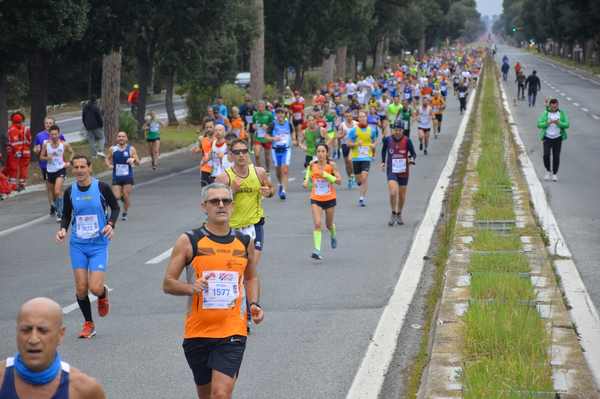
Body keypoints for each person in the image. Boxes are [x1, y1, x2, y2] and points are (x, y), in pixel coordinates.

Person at [162, 183, 264, 399]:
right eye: (214, 201)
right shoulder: (190, 241)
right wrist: (190, 288)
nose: (220, 205)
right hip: (197, 332)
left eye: (225, 201)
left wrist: (254, 304)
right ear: (203, 206)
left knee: (220, 394)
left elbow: (251, 277)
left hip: (232, 331)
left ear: (232, 206)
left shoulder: (244, 242)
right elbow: (168, 283)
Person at [56, 155, 120, 338]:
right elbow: (67, 215)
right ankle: (89, 324)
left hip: (98, 244)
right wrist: (62, 230)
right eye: (76, 167)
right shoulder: (70, 191)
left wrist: (111, 224)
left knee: (94, 287)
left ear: (90, 168)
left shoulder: (101, 187)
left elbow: (115, 208)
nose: (79, 170)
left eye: (83, 166)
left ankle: (102, 293)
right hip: (78, 244)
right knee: (81, 288)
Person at [0, 297, 106, 398]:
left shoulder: (84, 390)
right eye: (26, 330)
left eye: (43, 330)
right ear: (17, 332)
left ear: (60, 335)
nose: (33, 339)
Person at [215, 139, 273, 268]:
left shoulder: (259, 172)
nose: (241, 155)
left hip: (254, 224)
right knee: (234, 267)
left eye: (244, 151)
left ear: (248, 153)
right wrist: (232, 191)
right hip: (232, 228)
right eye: (237, 152)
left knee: (251, 267)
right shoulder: (223, 178)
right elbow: (214, 204)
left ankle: (248, 286)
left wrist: (268, 193)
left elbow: (271, 189)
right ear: (231, 155)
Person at [303, 143, 341, 260]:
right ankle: (317, 250)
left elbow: (339, 181)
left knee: (328, 225)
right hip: (316, 198)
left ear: (327, 153)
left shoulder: (331, 165)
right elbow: (308, 178)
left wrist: (326, 175)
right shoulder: (312, 165)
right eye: (318, 151)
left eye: (323, 151)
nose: (320, 154)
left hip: (329, 198)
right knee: (318, 223)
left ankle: (333, 233)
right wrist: (306, 182)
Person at [381, 123, 416, 226]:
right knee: (393, 192)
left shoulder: (407, 140)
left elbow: (413, 153)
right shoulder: (388, 140)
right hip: (392, 169)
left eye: (399, 130)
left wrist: (411, 159)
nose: (397, 132)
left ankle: (399, 213)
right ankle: (393, 212)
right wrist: (383, 162)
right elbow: (383, 150)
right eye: (395, 130)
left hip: (403, 170)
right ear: (393, 130)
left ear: (402, 130)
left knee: (401, 195)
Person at [40, 125, 73, 223]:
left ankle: (61, 212)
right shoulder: (46, 144)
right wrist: (47, 158)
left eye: (56, 134)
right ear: (49, 135)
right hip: (50, 171)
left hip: (60, 169)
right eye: (52, 134)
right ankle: (59, 207)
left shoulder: (64, 144)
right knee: (54, 194)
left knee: (58, 191)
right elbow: (41, 156)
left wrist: (69, 162)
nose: (54, 136)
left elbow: (72, 152)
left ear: (59, 134)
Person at [34, 117, 66, 216]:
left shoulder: (59, 135)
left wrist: (65, 162)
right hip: (46, 165)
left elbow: (64, 148)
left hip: (59, 165)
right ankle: (52, 205)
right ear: (44, 124)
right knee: (49, 188)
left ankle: (61, 206)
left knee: (58, 188)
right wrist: (36, 150)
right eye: (46, 123)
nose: (48, 125)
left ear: (54, 124)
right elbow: (35, 149)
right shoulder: (39, 136)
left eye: (50, 123)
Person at [105, 131, 140, 221]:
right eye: (119, 136)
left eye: (123, 136)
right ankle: (124, 200)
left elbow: (138, 162)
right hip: (116, 176)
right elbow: (107, 158)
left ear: (126, 138)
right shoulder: (113, 149)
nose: (121, 138)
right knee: (116, 196)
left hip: (127, 177)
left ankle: (125, 212)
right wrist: (109, 165)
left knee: (125, 194)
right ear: (117, 138)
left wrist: (133, 160)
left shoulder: (131, 149)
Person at [347, 110, 376, 207]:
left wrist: (373, 145)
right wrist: (356, 144)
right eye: (361, 117)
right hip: (356, 158)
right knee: (359, 180)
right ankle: (357, 181)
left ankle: (361, 198)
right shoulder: (353, 130)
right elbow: (348, 143)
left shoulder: (371, 130)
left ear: (366, 118)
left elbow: (375, 141)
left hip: (366, 157)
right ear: (358, 119)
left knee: (364, 177)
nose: (363, 118)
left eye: (364, 116)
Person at [537, 98, 569, 182]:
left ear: (557, 105)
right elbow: (539, 124)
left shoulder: (561, 113)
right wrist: (547, 123)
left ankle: (554, 174)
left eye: (556, 106)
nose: (554, 108)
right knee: (546, 155)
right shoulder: (546, 113)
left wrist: (559, 123)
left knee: (556, 156)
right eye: (553, 106)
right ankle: (548, 171)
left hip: (558, 138)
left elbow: (567, 124)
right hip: (547, 138)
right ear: (550, 106)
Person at [270, 108, 294, 200]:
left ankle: (283, 191)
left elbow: (292, 132)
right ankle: (280, 183)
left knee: (285, 170)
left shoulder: (288, 124)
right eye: (278, 113)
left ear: (284, 114)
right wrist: (273, 139)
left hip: (286, 150)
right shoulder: (273, 124)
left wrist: (294, 138)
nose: (280, 115)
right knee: (278, 170)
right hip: (275, 150)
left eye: (282, 113)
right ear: (276, 115)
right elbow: (266, 136)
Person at [5, 112, 31, 191]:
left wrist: (16, 151)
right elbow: (30, 140)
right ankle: (22, 184)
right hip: (25, 152)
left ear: (12, 120)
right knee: (23, 169)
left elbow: (12, 142)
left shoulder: (11, 130)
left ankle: (12, 186)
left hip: (14, 153)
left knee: (13, 169)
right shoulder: (26, 128)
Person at [251, 100, 274, 172]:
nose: (260, 108)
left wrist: (267, 127)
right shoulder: (255, 115)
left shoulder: (269, 114)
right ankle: (260, 171)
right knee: (257, 155)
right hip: (258, 137)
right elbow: (253, 124)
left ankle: (268, 170)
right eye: (259, 107)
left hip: (267, 137)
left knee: (267, 157)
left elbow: (273, 125)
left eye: (262, 107)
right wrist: (253, 126)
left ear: (264, 107)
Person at [337, 110, 357, 189]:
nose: (348, 118)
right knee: (347, 164)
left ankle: (353, 175)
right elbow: (337, 136)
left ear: (352, 116)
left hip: (353, 145)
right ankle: (350, 178)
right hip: (345, 145)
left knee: (350, 160)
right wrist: (343, 135)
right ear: (345, 117)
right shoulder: (342, 125)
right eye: (347, 116)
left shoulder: (356, 124)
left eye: (350, 116)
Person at [193, 119, 215, 187]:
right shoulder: (202, 139)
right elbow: (197, 150)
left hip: (216, 169)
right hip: (205, 168)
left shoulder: (218, 139)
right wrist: (196, 147)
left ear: (214, 127)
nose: (209, 129)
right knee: (205, 190)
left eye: (210, 127)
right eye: (207, 127)